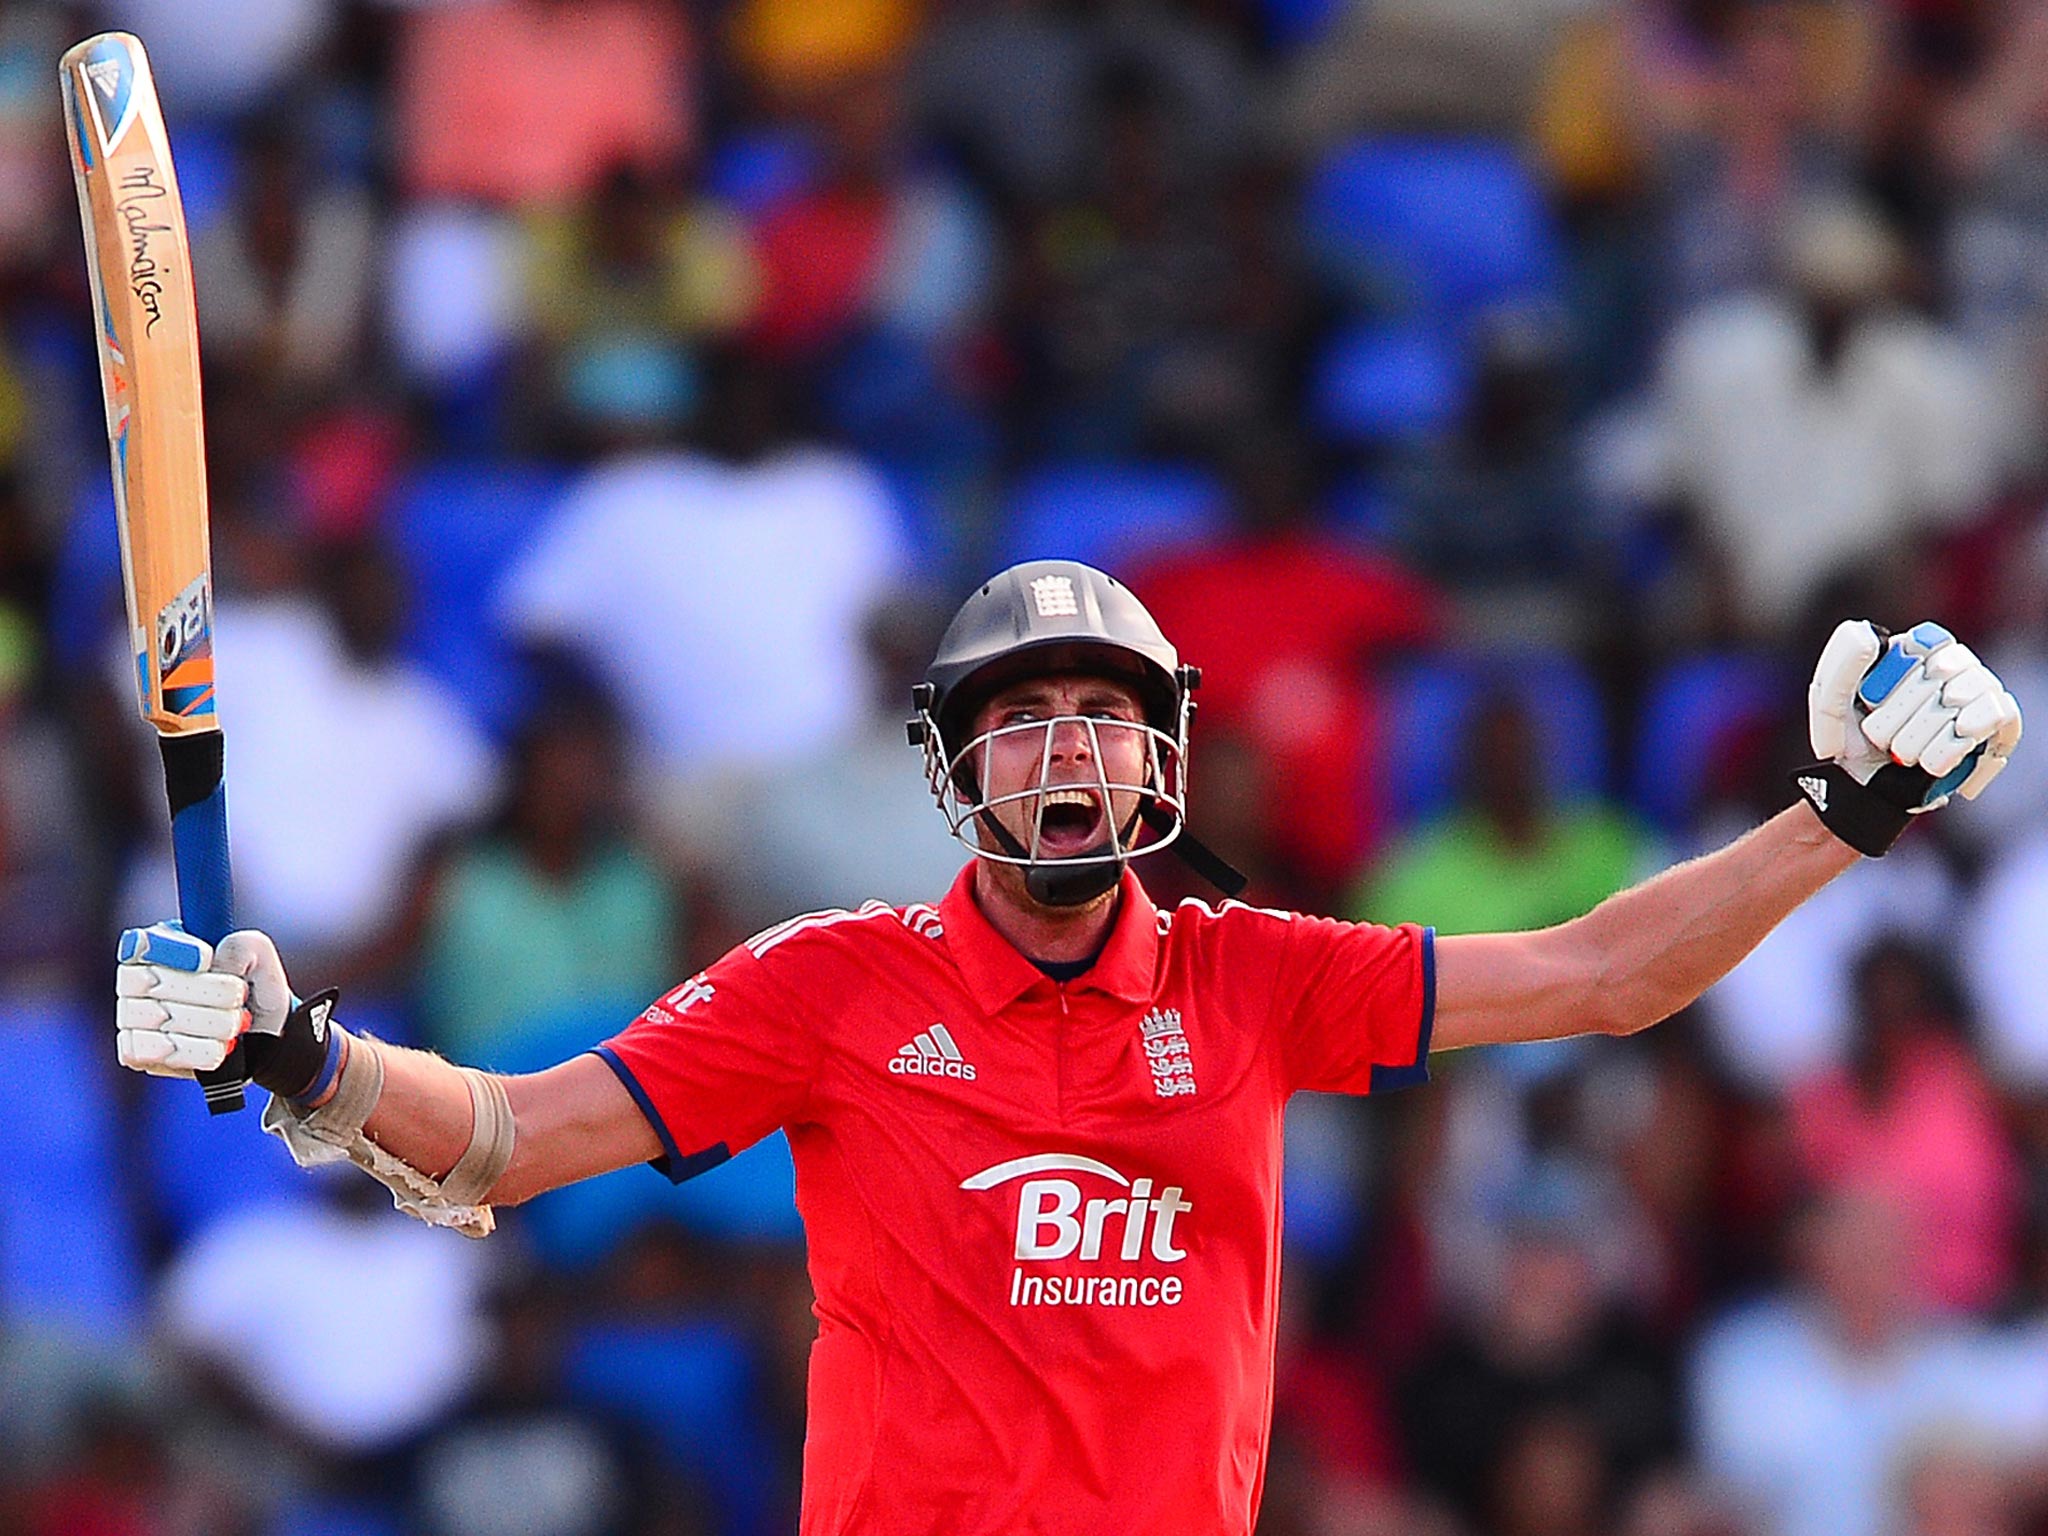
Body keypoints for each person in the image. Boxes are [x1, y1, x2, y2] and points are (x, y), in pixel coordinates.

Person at [111, 560, 2022, 1535]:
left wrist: (1836, 821)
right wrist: (303, 1057)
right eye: (1021, 721)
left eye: (1104, 717)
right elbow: (506, 1145)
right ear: (949, 767)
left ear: (1165, 761)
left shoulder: (1255, 976)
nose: (1068, 753)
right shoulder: (831, 983)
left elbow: (1603, 976)